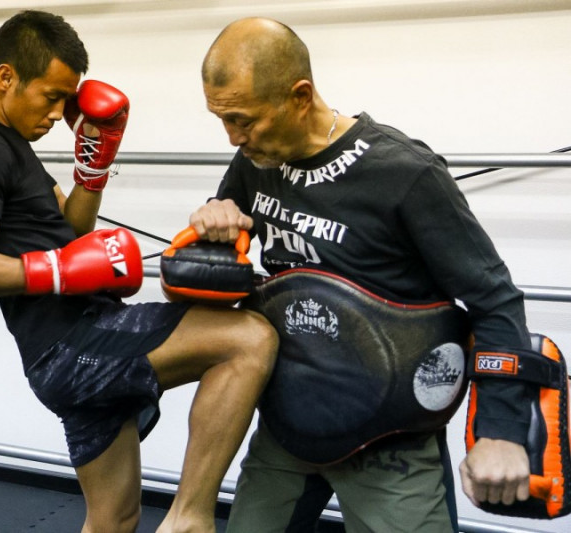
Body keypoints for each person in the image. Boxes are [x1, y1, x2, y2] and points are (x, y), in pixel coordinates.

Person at [0, 10, 278, 533]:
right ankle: (189, 517)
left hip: (66, 351)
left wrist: (92, 171)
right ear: (6, 77)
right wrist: (57, 271)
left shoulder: (14, 150)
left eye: (66, 101)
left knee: (114, 519)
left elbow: (71, 234)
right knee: (249, 339)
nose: (58, 114)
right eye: (51, 96)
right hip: (73, 346)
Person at [190, 17, 533, 533]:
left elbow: (495, 300)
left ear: (300, 96)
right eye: (222, 119)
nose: (234, 137)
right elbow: (221, 273)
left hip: (390, 441)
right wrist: (211, 227)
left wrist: (501, 430)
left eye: (244, 120)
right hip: (288, 426)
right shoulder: (255, 161)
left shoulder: (405, 173)